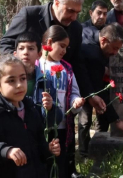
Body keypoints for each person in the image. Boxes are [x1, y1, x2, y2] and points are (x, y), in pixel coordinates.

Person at [0, 55, 60, 178]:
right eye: (11, 80)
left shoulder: (30, 109)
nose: (19, 85)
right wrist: (6, 150)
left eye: (22, 78)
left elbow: (37, 141)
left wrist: (48, 148)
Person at [33, 25, 85, 178]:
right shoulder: (36, 66)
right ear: (49, 42)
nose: (64, 51)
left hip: (61, 125)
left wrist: (76, 102)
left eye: (67, 47)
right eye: (62, 46)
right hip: (40, 125)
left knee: (58, 163)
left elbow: (73, 92)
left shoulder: (66, 69)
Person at [78, 23, 123, 156]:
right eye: (114, 48)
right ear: (103, 40)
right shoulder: (94, 55)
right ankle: (83, 154)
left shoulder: (88, 32)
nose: (115, 53)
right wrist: (116, 121)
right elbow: (99, 91)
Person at [13, 32, 42, 96]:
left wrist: (50, 105)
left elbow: (55, 103)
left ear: (39, 55)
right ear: (15, 54)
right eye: (21, 48)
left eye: (31, 48)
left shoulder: (45, 82)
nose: (25, 52)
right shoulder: (6, 79)